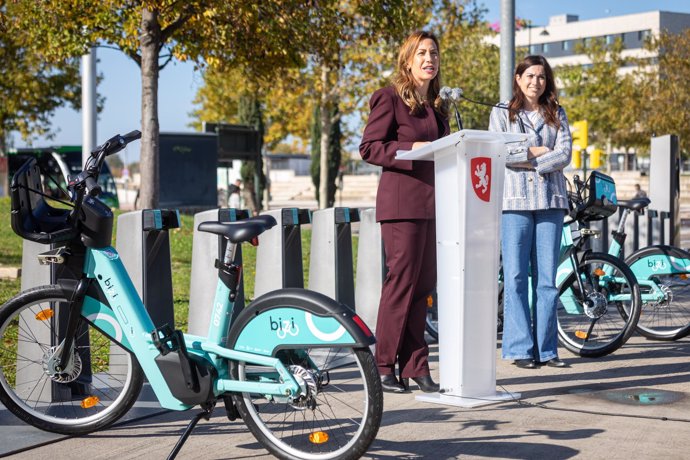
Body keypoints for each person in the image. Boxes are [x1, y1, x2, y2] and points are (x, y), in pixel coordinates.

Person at [359, 30, 449, 393]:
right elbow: (370, 148)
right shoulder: (390, 98)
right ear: (408, 60)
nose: (430, 59)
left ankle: (416, 366)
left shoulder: (438, 108)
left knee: (423, 286)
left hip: (435, 207)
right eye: (422, 53)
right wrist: (415, 147)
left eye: (434, 54)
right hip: (402, 206)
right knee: (401, 284)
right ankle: (383, 365)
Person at [489, 55, 572, 370]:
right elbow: (501, 153)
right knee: (514, 277)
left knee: (547, 280)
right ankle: (520, 348)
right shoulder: (502, 112)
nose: (536, 82)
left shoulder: (557, 113)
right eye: (530, 75)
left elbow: (564, 153)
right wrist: (540, 153)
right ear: (518, 77)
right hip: (515, 203)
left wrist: (529, 159)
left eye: (541, 77)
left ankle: (548, 350)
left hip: (551, 202)